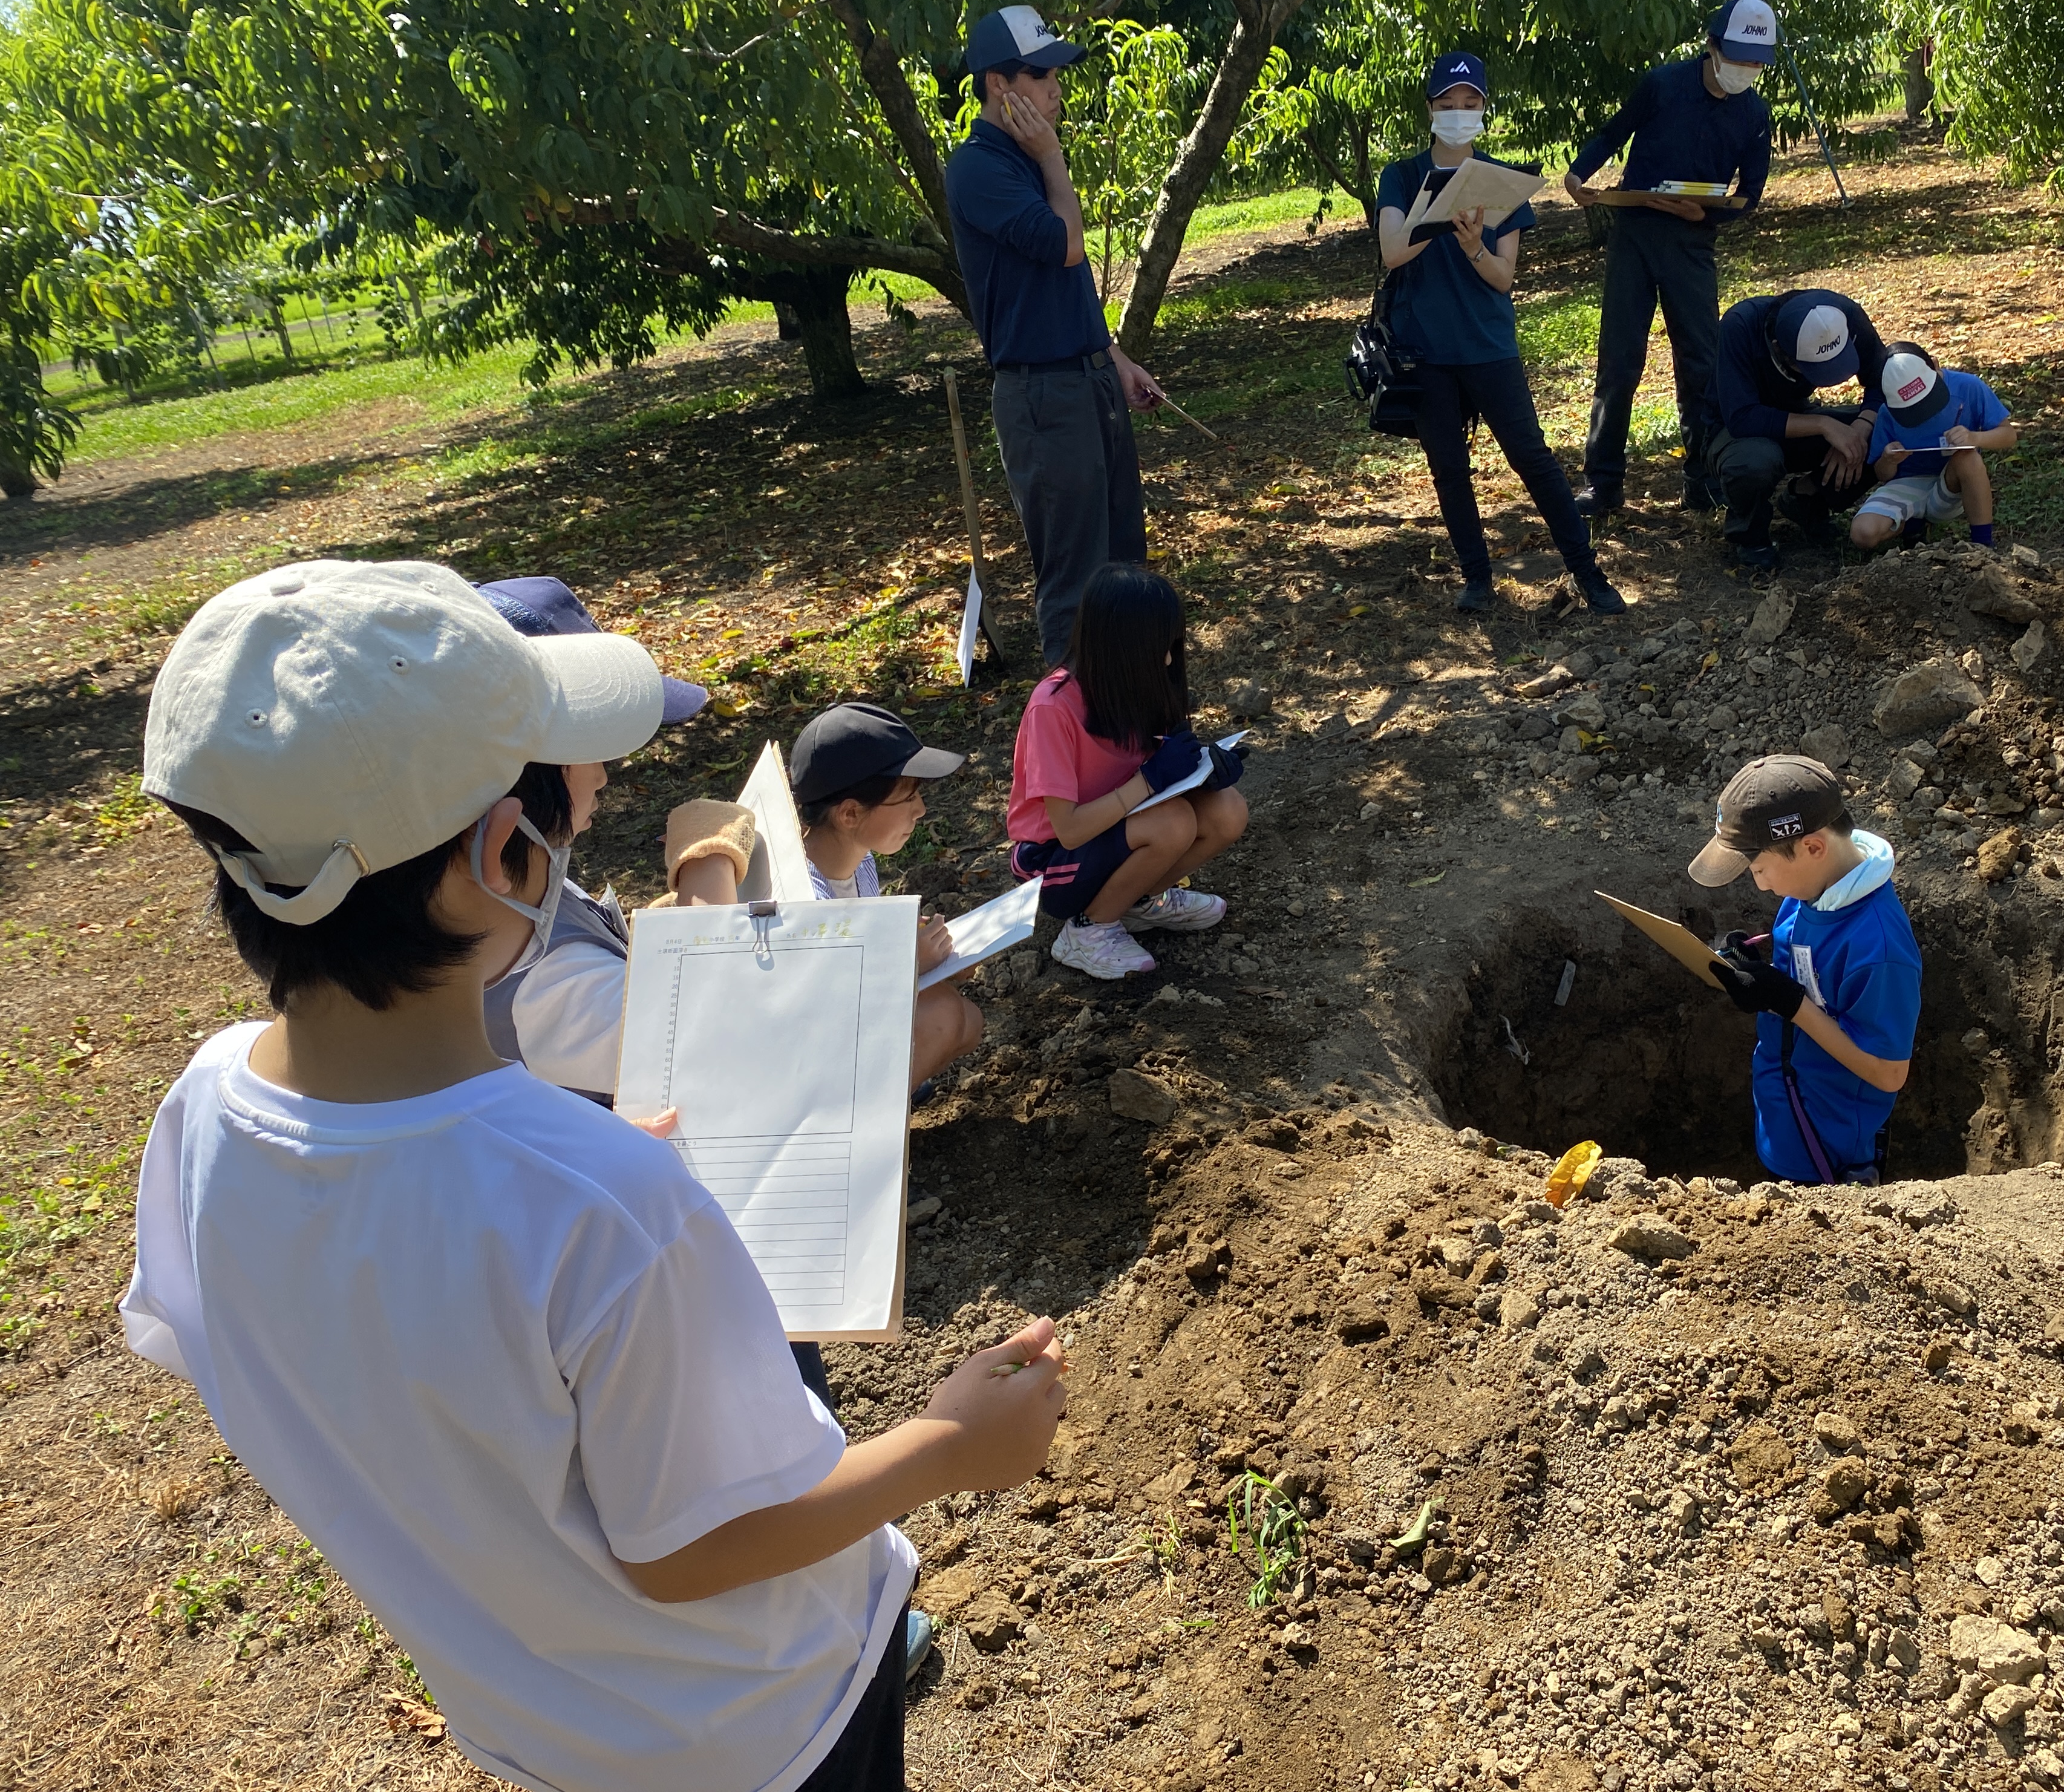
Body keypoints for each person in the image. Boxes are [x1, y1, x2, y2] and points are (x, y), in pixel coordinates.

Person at [123, 558, 1066, 1792]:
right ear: (507, 853)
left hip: (542, 1722)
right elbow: (695, 1550)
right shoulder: (607, 1205)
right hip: (762, 1726)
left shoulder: (200, 1112)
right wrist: (949, 1443)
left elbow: (342, 1354)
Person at [945, 5, 1165, 666]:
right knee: (1075, 583)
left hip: (1087, 376)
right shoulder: (980, 168)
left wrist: (1113, 356)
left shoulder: (1027, 161)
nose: (1054, 89)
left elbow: (1062, 290)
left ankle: (1134, 721)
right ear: (997, 85)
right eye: (1039, 75)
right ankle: (1073, 744)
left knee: (1125, 563)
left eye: (1056, 75)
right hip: (1042, 396)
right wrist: (1054, 157)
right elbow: (1068, 247)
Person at [1376, 52, 1627, 616]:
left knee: (1533, 460)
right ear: (1431, 109)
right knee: (1448, 466)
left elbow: (1503, 277)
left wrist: (1472, 244)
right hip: (1425, 354)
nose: (1459, 114)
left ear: (1484, 109)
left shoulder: (1499, 181)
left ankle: (1587, 574)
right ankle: (1477, 579)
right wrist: (1435, 212)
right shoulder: (1401, 176)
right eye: (1448, 105)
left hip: (1489, 346)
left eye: (1470, 105)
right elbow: (1393, 252)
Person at [471, 577, 710, 1105]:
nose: (604, 775)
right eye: (592, 745)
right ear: (525, 770)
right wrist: (707, 878)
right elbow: (720, 1042)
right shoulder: (549, 985)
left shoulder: (524, 873)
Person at [1563, 0, 1778, 517]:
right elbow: (1614, 133)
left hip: (1692, 243)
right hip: (1635, 235)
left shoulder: (1755, 114)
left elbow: (1749, 195)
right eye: (1737, 58)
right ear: (1711, 47)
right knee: (1619, 360)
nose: (1744, 71)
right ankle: (1605, 482)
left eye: (1756, 63)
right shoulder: (1663, 85)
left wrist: (1704, 217)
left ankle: (1703, 477)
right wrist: (1577, 176)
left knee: (1701, 362)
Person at [1688, 754, 1920, 1186]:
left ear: (1813, 847)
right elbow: (1806, 962)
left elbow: (1890, 1073)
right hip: (1786, 1105)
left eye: (1759, 869)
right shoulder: (1811, 890)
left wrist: (1790, 1003)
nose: (1760, 884)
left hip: (1829, 1144)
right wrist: (1758, 955)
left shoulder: (1879, 947)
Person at [1007, 563, 1247, 978]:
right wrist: (1152, 779)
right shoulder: (1053, 708)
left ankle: (1137, 903)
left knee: (1227, 809)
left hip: (1123, 827)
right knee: (1172, 824)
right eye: (1159, 647)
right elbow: (1070, 830)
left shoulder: (1141, 686)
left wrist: (1205, 771)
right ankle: (1086, 932)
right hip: (1052, 862)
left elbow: (1162, 775)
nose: (1170, 658)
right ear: (1122, 649)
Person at [785, 702, 985, 1096]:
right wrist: (908, 964)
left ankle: (886, 1095)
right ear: (849, 814)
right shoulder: (802, 899)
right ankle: (854, 1130)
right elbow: (821, 1009)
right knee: (943, 1016)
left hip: (842, 1032)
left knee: (968, 1020)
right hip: (807, 1066)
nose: (921, 810)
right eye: (907, 798)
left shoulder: (859, 861)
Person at [1700, 288, 1890, 574]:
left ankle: (1807, 499)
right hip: (1735, 432)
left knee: (1891, 428)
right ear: (1779, 349)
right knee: (1754, 462)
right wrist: (1825, 426)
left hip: (1798, 414)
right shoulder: (1740, 325)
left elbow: (1880, 379)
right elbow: (1742, 417)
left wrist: (1860, 431)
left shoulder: (1845, 315)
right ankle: (1750, 536)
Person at [1851, 343, 2019, 552]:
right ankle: (1910, 526)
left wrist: (1973, 438)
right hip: (1905, 486)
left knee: (1969, 458)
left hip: (1950, 485)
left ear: (1935, 364)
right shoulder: (1888, 412)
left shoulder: (1968, 387)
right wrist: (1888, 460)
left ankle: (1983, 545)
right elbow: (1882, 474)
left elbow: (2009, 435)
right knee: (1862, 534)